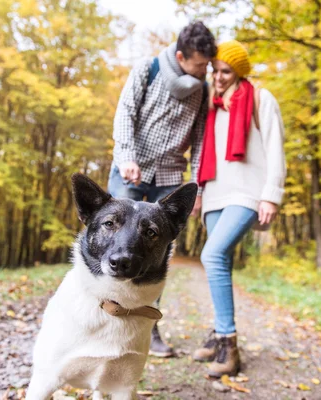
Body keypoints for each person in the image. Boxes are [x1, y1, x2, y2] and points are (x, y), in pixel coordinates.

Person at [108, 21, 217, 358]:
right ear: (182, 56)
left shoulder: (202, 90)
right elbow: (125, 111)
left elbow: (199, 140)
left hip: (170, 177)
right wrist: (126, 156)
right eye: (200, 64)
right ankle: (106, 324)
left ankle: (148, 329)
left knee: (156, 256)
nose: (205, 71)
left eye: (208, 66)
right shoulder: (148, 69)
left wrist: (196, 188)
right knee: (115, 244)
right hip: (131, 169)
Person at [192, 40, 286, 377]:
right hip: (215, 194)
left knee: (212, 255)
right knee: (221, 263)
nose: (217, 77)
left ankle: (229, 346)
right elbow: (202, 151)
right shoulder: (212, 105)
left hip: (247, 194)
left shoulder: (260, 98)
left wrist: (271, 194)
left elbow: (275, 148)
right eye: (215, 70)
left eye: (225, 71)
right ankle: (219, 334)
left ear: (239, 72)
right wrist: (198, 193)